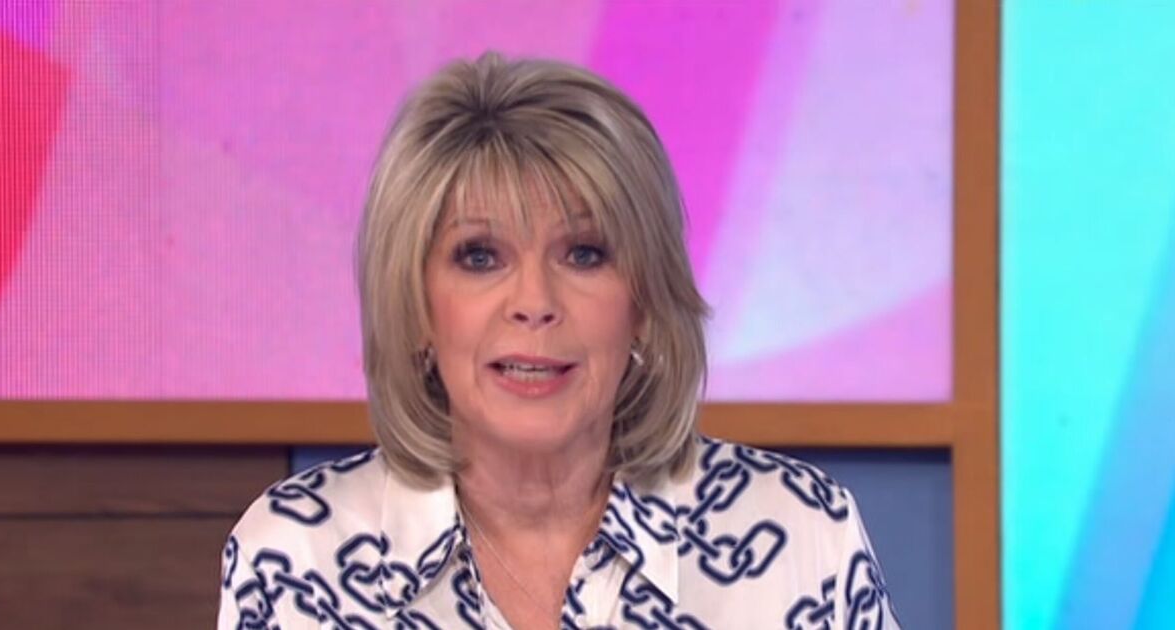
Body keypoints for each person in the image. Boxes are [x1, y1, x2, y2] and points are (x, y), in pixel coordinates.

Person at [217, 51, 900, 630]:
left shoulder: (803, 532)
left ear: (643, 302)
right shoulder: (298, 555)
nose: (536, 304)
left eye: (584, 254)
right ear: (417, 307)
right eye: (480, 256)